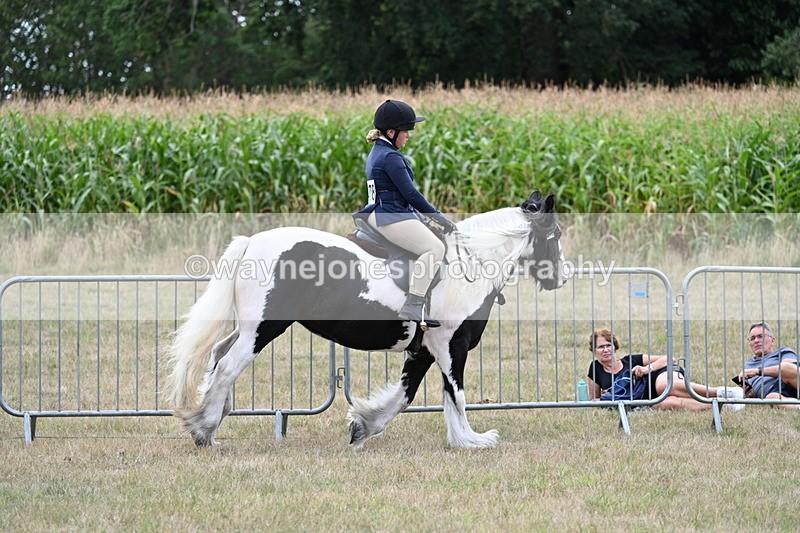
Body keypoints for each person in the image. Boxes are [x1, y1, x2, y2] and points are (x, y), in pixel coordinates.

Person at [355, 99, 457, 328]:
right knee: (435, 248)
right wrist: (439, 216)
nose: (409, 136)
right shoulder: (391, 157)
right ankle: (413, 304)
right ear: (391, 132)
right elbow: (411, 194)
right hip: (391, 216)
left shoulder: (378, 151)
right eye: (406, 131)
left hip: (380, 212)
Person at [586, 327, 745, 411]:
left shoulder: (631, 360)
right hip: (647, 398)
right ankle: (722, 405)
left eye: (609, 345)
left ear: (615, 347)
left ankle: (722, 392)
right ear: (594, 351)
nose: (606, 350)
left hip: (660, 375)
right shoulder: (595, 369)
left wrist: (647, 368)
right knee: (666, 404)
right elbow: (593, 400)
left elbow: (670, 359)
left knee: (663, 387)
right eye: (601, 347)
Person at [734, 321, 799, 409]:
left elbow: (790, 370)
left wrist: (758, 371)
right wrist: (749, 394)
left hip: (791, 383)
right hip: (774, 392)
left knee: (786, 369)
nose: (756, 340)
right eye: (752, 338)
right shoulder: (747, 366)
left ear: (772, 340)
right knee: (771, 398)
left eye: (761, 336)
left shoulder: (784, 352)